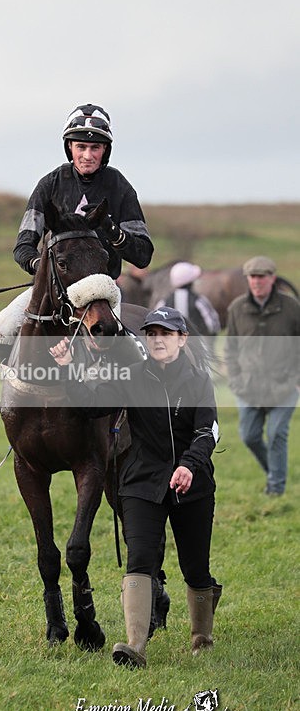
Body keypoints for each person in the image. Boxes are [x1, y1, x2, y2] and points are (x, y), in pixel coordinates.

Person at [50, 306, 222, 668]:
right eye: (151, 333)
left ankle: (201, 641)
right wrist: (67, 369)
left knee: (195, 569)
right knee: (139, 560)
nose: (158, 340)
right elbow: (91, 405)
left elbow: (208, 432)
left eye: (166, 333)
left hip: (193, 484)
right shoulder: (132, 376)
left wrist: (189, 466)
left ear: (182, 339)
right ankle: (135, 647)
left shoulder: (198, 381)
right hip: (142, 482)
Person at [0, 103, 154, 360]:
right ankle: (15, 388)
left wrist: (110, 229)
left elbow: (143, 255)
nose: (87, 155)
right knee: (1, 330)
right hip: (52, 288)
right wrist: (41, 266)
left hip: (101, 291)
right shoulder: (49, 185)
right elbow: (23, 246)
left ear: (105, 150)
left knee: (121, 358)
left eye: (95, 148)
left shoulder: (120, 187)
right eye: (81, 147)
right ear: (70, 147)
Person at [225, 255, 300, 496]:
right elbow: (230, 348)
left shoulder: (291, 307)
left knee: (277, 433)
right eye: (253, 277)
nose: (257, 282)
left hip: (284, 385)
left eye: (262, 277)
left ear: (272, 279)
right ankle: (274, 472)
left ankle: (276, 488)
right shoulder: (236, 308)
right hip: (248, 387)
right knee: (249, 436)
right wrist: (235, 379)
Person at [155, 262, 221, 342]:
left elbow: (155, 323)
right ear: (191, 281)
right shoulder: (199, 301)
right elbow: (212, 326)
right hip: (197, 346)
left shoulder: (164, 302)